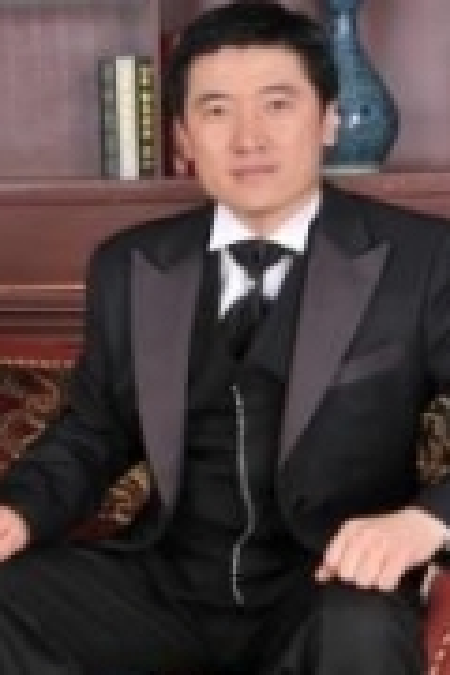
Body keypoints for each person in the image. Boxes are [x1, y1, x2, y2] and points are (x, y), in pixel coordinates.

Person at [0, 1, 449, 673]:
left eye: (277, 105)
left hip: (330, 578)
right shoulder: (130, 263)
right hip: (165, 580)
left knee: (358, 629)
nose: (248, 138)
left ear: (328, 118)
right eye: (216, 111)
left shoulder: (422, 258)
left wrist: (427, 521)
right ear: (183, 136)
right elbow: (94, 430)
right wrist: (18, 510)